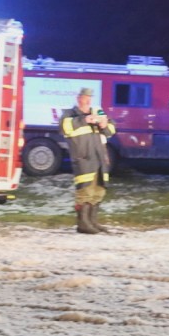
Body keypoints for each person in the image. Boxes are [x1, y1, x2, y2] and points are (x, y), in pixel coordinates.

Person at [60, 87, 116, 234]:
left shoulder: (97, 111)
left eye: (90, 98)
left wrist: (104, 124)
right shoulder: (69, 114)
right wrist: (84, 120)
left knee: (98, 190)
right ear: (79, 98)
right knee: (85, 190)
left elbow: (111, 128)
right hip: (84, 158)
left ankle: (92, 222)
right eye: (85, 98)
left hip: (99, 158)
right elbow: (64, 127)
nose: (88, 101)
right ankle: (83, 224)